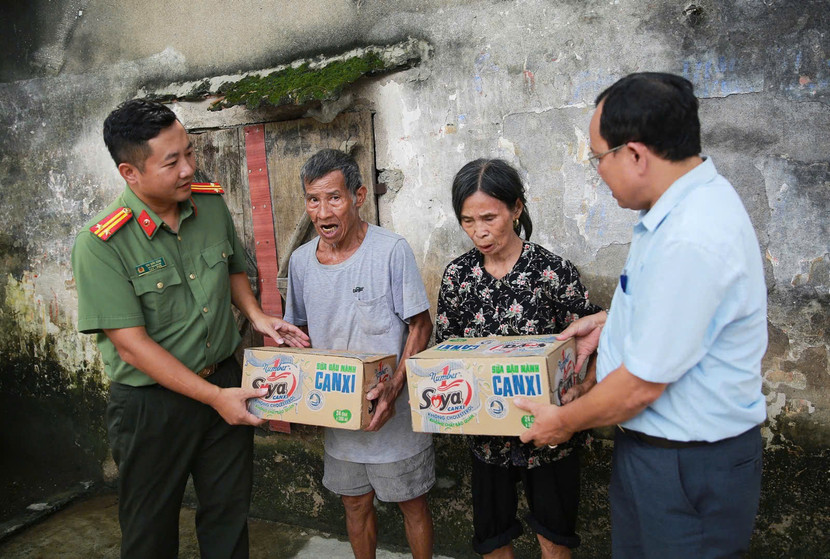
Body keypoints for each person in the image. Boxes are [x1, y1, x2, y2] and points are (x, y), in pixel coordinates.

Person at [516, 72, 767, 558]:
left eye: (598, 157)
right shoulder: (679, 211)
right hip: (657, 456)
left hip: (686, 467)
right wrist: (613, 321)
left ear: (634, 154)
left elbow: (640, 385)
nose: (597, 171)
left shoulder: (691, 236)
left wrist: (562, 422)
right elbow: (682, 312)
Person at [71, 99, 309, 558]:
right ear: (130, 172)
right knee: (150, 530)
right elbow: (134, 348)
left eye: (189, 153)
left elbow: (234, 268)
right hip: (150, 407)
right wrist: (216, 399)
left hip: (225, 380)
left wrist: (257, 316)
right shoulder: (101, 245)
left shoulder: (208, 203)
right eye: (172, 161)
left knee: (228, 517)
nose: (188, 168)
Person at [435, 158, 602, 559]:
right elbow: (444, 354)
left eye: (489, 217)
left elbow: (592, 342)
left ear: (517, 208)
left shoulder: (551, 272)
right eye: (468, 221)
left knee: (555, 541)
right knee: (493, 540)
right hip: (486, 436)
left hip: (551, 437)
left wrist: (584, 390)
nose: (479, 231)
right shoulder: (458, 277)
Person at [283, 148, 435, 559]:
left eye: (334, 197)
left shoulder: (390, 250)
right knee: (354, 504)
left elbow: (421, 325)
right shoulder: (300, 263)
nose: (322, 210)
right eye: (313, 200)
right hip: (341, 422)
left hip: (395, 418)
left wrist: (394, 390)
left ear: (358, 196)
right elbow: (298, 332)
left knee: (413, 504)